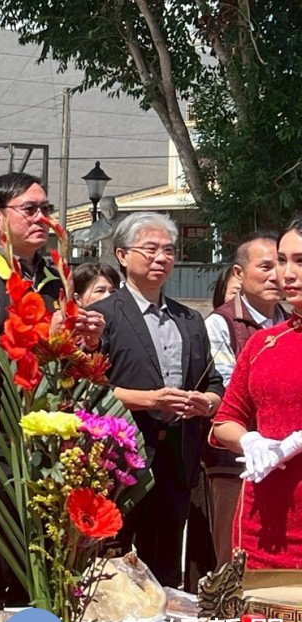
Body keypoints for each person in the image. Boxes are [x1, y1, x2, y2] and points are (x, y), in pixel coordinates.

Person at [0, 173, 103, 609]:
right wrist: (39, 337)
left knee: (52, 575)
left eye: (46, 209)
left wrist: (87, 341)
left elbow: (70, 366)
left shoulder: (57, 280)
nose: (42, 219)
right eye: (29, 209)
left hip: (53, 447)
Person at [92, 212, 224, 588]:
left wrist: (207, 402)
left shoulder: (189, 319)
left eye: (168, 250)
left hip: (176, 457)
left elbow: (214, 382)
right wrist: (150, 399)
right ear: (122, 255)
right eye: (150, 249)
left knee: (164, 566)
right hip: (121, 458)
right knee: (111, 565)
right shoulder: (102, 316)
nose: (161, 258)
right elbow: (89, 391)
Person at [210, 218, 302, 569]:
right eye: (282, 261)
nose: (287, 274)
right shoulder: (264, 342)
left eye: (300, 261)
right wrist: (250, 441)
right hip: (260, 525)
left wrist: (295, 442)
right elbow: (224, 421)